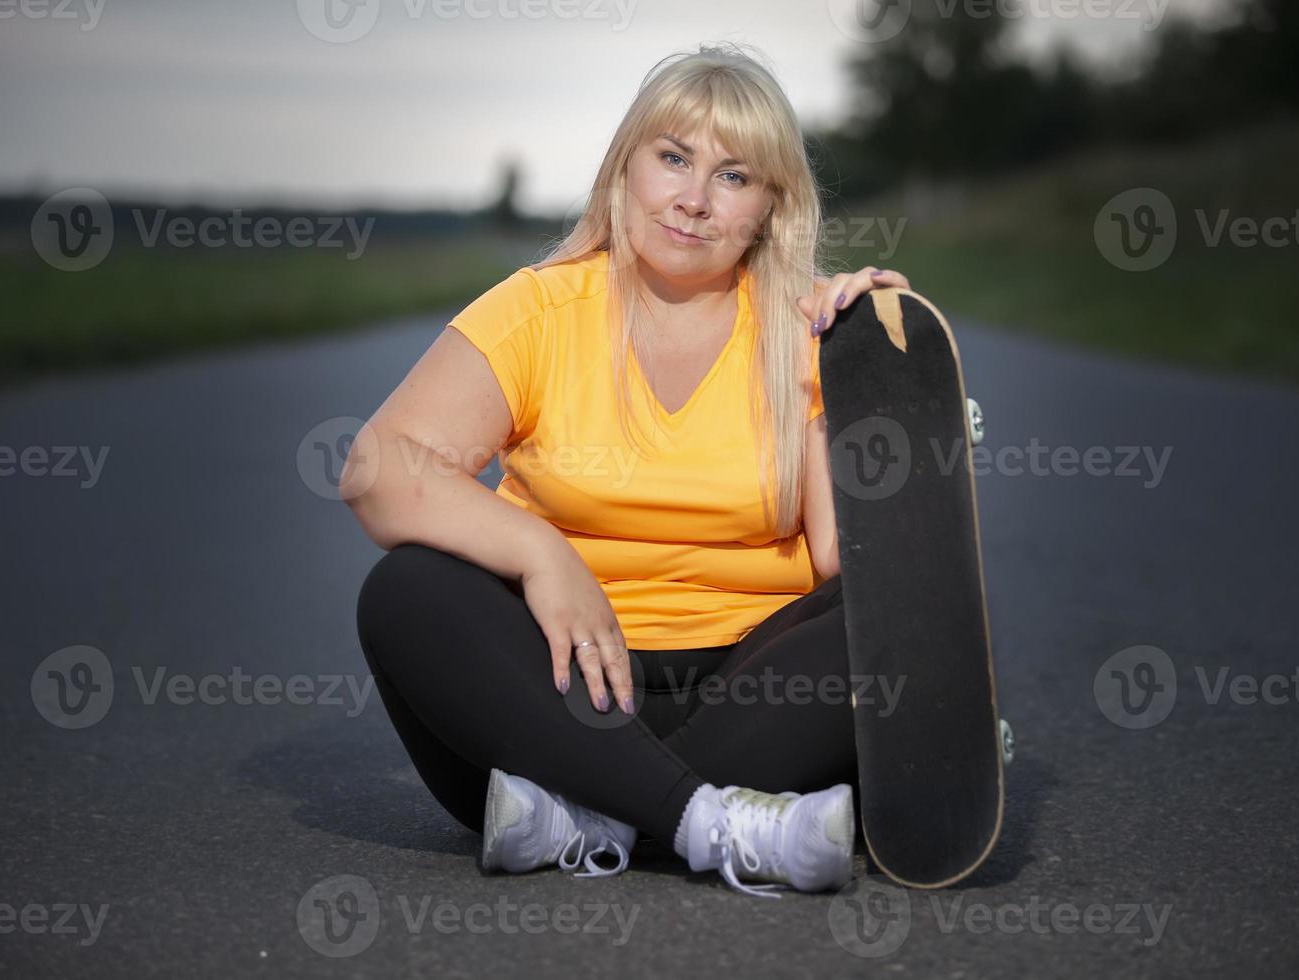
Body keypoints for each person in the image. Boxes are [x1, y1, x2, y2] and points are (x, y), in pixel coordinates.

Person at [345, 42, 912, 899]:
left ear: (770, 206)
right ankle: (720, 823)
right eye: (674, 159)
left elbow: (843, 557)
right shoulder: (541, 309)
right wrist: (544, 554)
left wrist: (878, 369)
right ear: (626, 167)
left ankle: (589, 820)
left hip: (757, 699)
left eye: (734, 176)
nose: (693, 200)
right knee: (406, 589)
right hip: (555, 700)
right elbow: (377, 469)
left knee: (892, 606)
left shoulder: (806, 330)